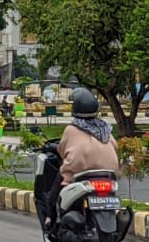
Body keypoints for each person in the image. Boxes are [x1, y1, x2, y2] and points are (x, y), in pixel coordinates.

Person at [46, 87, 119, 227]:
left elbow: (62, 150)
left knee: (57, 185)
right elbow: (115, 146)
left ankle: (50, 218)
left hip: (80, 172)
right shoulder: (105, 128)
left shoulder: (71, 129)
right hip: (107, 173)